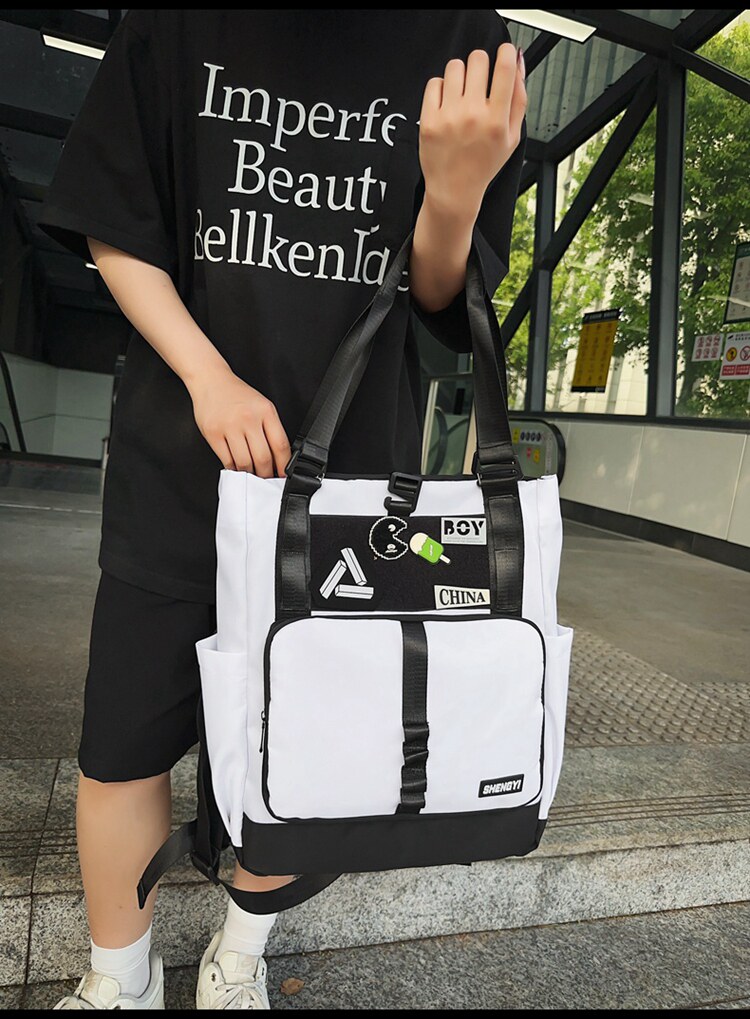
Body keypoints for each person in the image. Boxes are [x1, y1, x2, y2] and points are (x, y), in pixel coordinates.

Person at [40, 9, 526, 1011]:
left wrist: (455, 192)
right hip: (179, 462)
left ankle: (238, 955)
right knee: (122, 740)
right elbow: (118, 222)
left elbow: (441, 307)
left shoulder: (464, 38)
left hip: (354, 495)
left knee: (304, 746)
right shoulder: (177, 22)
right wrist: (207, 376)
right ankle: (119, 975)